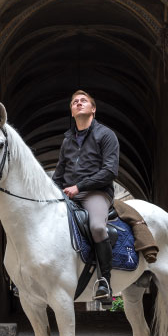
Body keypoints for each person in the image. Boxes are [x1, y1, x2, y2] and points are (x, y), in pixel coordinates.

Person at [53, 90, 119, 304]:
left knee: (98, 227)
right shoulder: (67, 141)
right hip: (68, 195)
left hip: (96, 193)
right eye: (74, 102)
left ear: (93, 109)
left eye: (83, 101)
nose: (78, 103)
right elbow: (58, 175)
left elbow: (109, 171)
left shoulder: (106, 135)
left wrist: (79, 186)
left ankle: (105, 282)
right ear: (71, 112)